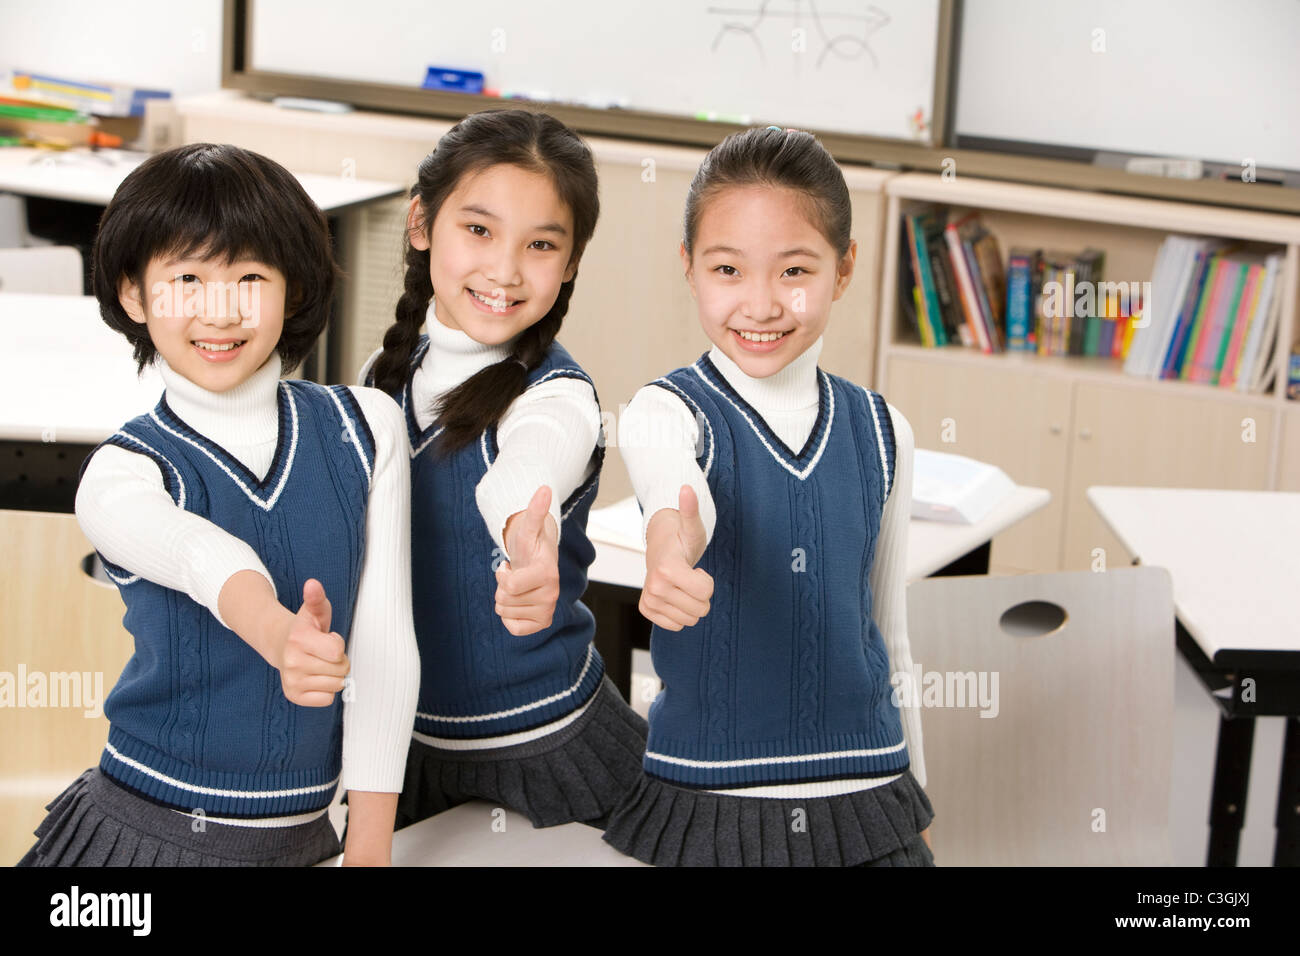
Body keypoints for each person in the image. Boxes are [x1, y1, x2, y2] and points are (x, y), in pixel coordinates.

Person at [18, 143, 419, 867]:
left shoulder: (368, 429)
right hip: (143, 839)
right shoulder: (120, 473)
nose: (220, 310)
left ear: (294, 289)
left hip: (310, 840)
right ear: (135, 294)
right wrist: (276, 635)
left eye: (251, 277)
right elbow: (205, 557)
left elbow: (386, 648)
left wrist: (368, 849)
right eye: (187, 278)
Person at [604, 126, 935, 866]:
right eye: (728, 269)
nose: (760, 304)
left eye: (794, 270)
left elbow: (890, 632)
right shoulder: (667, 411)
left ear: (844, 269)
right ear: (689, 268)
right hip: (713, 799)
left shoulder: (885, 433)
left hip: (868, 790)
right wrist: (669, 557)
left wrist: (919, 794)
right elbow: (674, 496)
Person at [363, 109, 646, 831]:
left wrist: (530, 538)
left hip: (551, 748)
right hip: (402, 750)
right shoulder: (381, 377)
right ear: (421, 222)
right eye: (479, 230)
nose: (506, 270)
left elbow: (529, 470)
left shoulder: (559, 397)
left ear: (573, 260)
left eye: (542, 244)